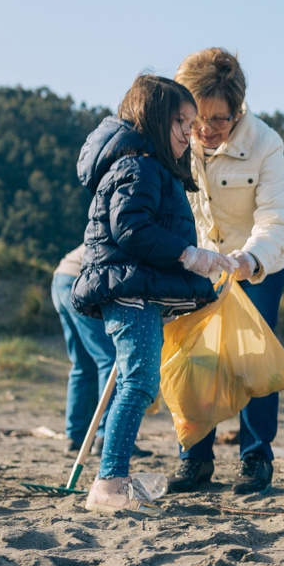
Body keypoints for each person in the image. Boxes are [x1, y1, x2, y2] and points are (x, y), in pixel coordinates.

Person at [72, 74, 238, 515]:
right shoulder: (138, 165)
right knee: (139, 383)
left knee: (137, 382)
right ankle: (109, 484)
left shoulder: (150, 166)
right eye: (181, 122)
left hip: (138, 291)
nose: (190, 132)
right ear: (152, 120)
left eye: (192, 121)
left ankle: (115, 477)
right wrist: (188, 255)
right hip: (129, 293)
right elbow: (131, 229)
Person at [167, 48, 284, 496]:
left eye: (219, 120)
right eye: (196, 120)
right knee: (195, 359)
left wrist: (249, 260)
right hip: (198, 265)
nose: (205, 131)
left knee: (253, 360)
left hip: (255, 265)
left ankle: (256, 458)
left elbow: (277, 218)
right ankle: (194, 460)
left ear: (238, 109)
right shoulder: (176, 140)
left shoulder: (266, 143)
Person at [50, 244, 151, 458]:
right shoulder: (138, 228)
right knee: (109, 358)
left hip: (62, 278)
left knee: (83, 365)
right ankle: (106, 436)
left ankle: (76, 438)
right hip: (79, 281)